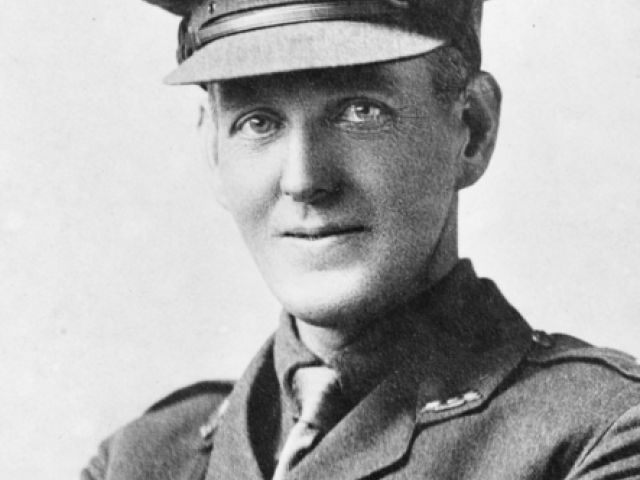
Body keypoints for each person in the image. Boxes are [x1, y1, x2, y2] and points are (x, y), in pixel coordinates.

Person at [82, 0, 640, 478]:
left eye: (359, 111)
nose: (303, 180)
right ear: (211, 150)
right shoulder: (143, 457)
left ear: (473, 128)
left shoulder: (598, 432)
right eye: (258, 121)